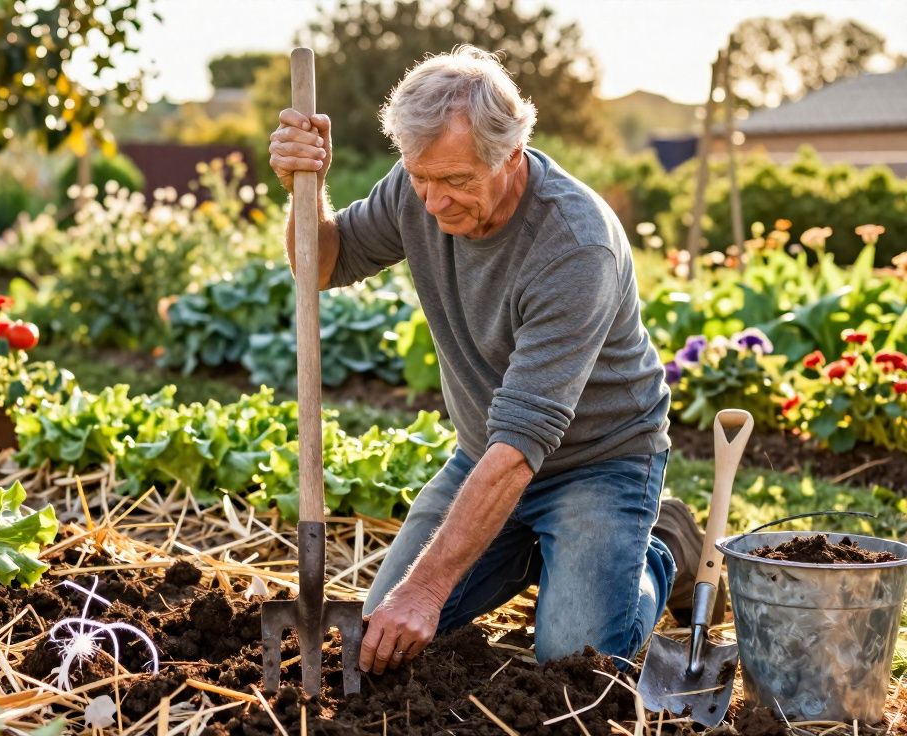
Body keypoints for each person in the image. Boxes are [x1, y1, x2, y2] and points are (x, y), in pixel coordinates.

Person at [268, 46, 710, 677]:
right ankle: (534, 551)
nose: (434, 203)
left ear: (511, 155)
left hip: (597, 462)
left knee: (575, 660)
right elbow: (323, 263)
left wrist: (427, 590)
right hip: (485, 455)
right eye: (421, 177)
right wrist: (303, 190)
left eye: (456, 182)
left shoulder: (574, 244)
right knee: (379, 633)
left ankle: (664, 548)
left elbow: (523, 442)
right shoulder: (416, 187)